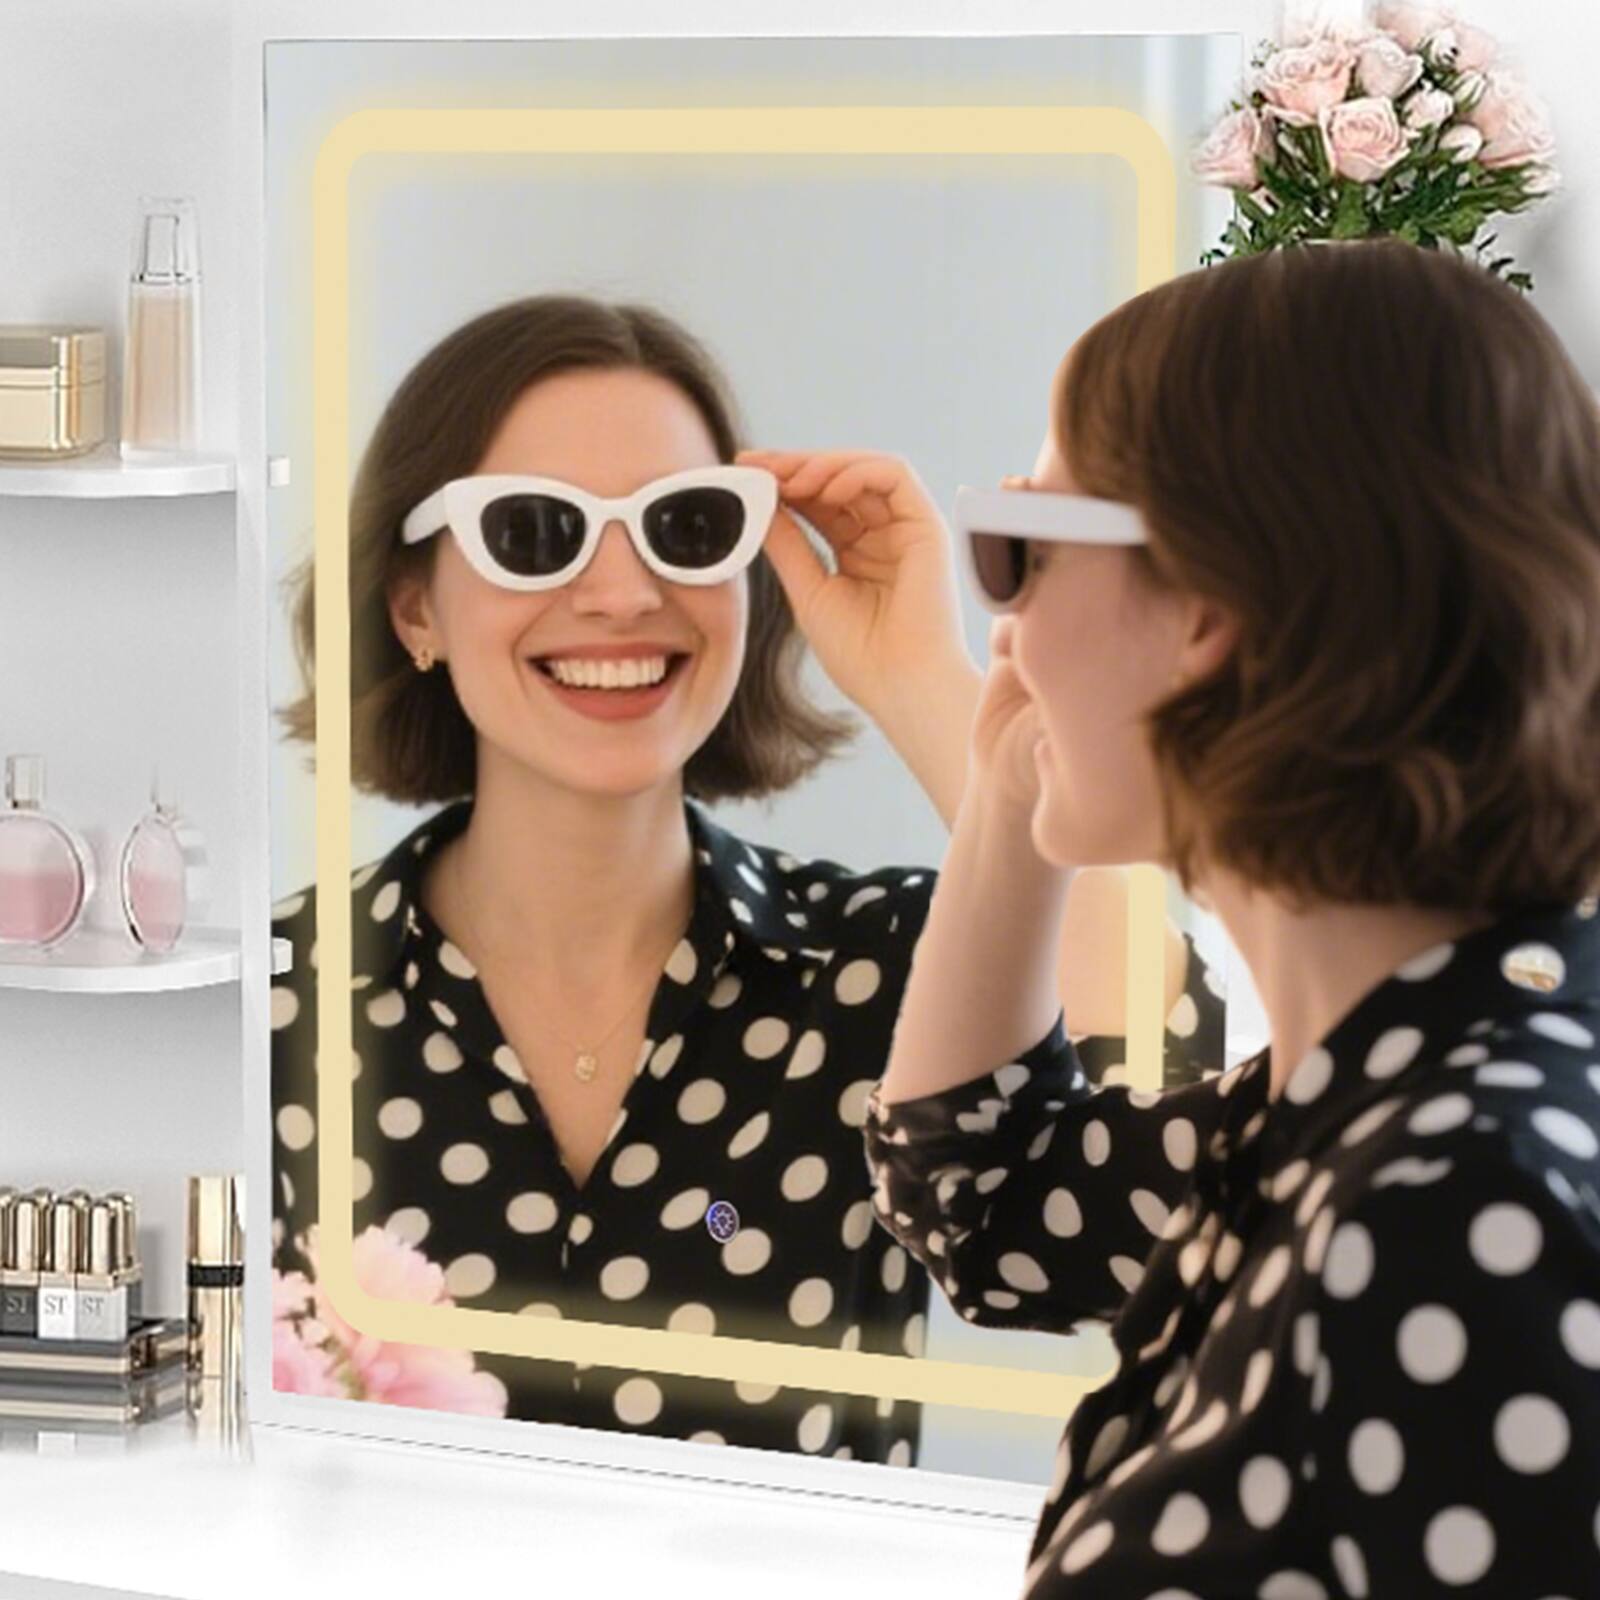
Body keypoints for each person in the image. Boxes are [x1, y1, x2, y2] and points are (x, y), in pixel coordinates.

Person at [267, 294, 1225, 1461]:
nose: (623, 593)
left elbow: (1186, 1169)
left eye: (683, 527)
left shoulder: (888, 968)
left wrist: (921, 673)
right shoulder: (266, 1009)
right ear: (415, 605)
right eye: (534, 530)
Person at [861, 238, 1600, 1592]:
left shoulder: (1446, 1206)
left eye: (1022, 550)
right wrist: (1011, 788)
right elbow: (978, 1196)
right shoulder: (1347, 1111)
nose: (1003, 631)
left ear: (1209, 605)